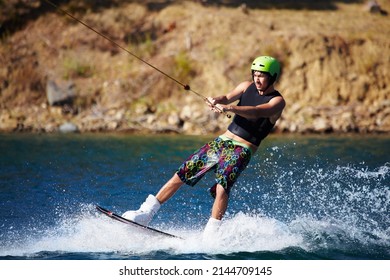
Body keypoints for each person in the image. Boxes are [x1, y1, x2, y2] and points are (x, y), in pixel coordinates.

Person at [122, 56, 286, 235]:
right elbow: (227, 97)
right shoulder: (246, 86)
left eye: (262, 75)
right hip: (222, 142)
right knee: (181, 173)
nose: (257, 79)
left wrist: (231, 108)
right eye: (255, 74)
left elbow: (257, 112)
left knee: (222, 186)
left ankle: (211, 233)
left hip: (242, 149)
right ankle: (146, 213)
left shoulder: (277, 101)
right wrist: (216, 100)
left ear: (272, 77)